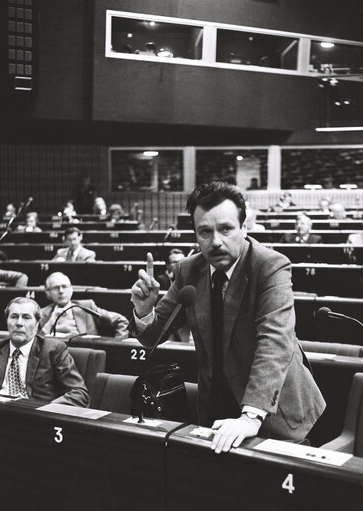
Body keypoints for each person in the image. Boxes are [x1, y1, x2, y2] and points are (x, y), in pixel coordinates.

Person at [130, 182, 325, 453]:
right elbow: (153, 337)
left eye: (226, 229)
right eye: (205, 232)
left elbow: (274, 342)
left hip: (275, 414)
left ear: (244, 228)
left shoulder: (270, 266)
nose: (216, 242)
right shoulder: (188, 270)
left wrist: (251, 416)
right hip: (216, 410)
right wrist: (144, 310)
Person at [0, 297, 89, 406]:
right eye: (14, 317)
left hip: (36, 416)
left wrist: (41, 408)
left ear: (37, 324)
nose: (19, 323)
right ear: (7, 321)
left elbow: (79, 394)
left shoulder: (53, 350)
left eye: (26, 317)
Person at [40, 272, 129, 339]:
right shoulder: (42, 313)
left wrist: (116, 345)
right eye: (56, 288)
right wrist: (50, 323)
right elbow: (34, 342)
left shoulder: (87, 307)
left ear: (71, 289)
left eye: (64, 286)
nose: (61, 291)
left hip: (83, 353)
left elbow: (121, 321)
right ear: (48, 293)